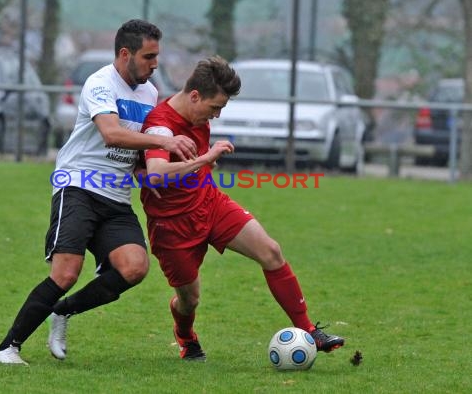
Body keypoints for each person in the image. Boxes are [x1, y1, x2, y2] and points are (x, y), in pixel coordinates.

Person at [0, 19, 197, 365]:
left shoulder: (148, 93)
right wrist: (166, 140)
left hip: (116, 196)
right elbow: (112, 134)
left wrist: (148, 173)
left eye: (157, 56)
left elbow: (132, 149)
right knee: (66, 273)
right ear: (124, 54)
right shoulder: (100, 83)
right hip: (78, 186)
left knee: (134, 267)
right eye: (148, 56)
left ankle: (63, 311)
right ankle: (7, 348)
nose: (155, 64)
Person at [139, 56, 345, 361]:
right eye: (214, 108)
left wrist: (202, 164)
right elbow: (156, 173)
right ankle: (185, 335)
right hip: (173, 224)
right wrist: (203, 160)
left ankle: (308, 330)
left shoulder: (198, 115)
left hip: (210, 203)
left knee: (271, 252)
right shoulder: (160, 124)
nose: (217, 116)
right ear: (195, 95)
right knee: (189, 300)